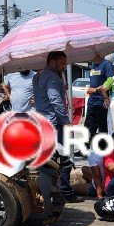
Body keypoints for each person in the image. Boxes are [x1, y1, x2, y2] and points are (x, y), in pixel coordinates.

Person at [34, 51, 80, 203]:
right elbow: (55, 100)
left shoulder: (38, 76)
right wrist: (66, 120)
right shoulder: (53, 77)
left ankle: (50, 191)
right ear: (53, 62)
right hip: (54, 123)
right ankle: (65, 191)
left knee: (49, 159)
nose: (64, 66)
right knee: (63, 156)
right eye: (62, 63)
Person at [84, 51, 114, 142]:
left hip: (101, 101)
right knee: (89, 126)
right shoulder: (92, 65)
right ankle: (86, 147)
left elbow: (110, 82)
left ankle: (102, 149)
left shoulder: (106, 65)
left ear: (97, 54)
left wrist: (96, 89)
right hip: (92, 100)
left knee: (102, 127)